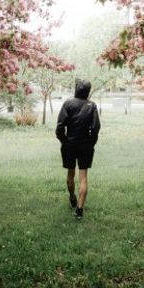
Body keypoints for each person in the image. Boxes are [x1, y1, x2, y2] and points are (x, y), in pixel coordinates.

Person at [56, 79, 100, 219]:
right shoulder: (91, 106)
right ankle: (79, 210)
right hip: (85, 146)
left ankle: (72, 197)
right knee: (83, 177)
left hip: (69, 144)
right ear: (88, 91)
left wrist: (64, 141)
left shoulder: (68, 104)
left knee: (70, 174)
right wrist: (90, 143)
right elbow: (95, 128)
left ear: (76, 89)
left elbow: (60, 127)